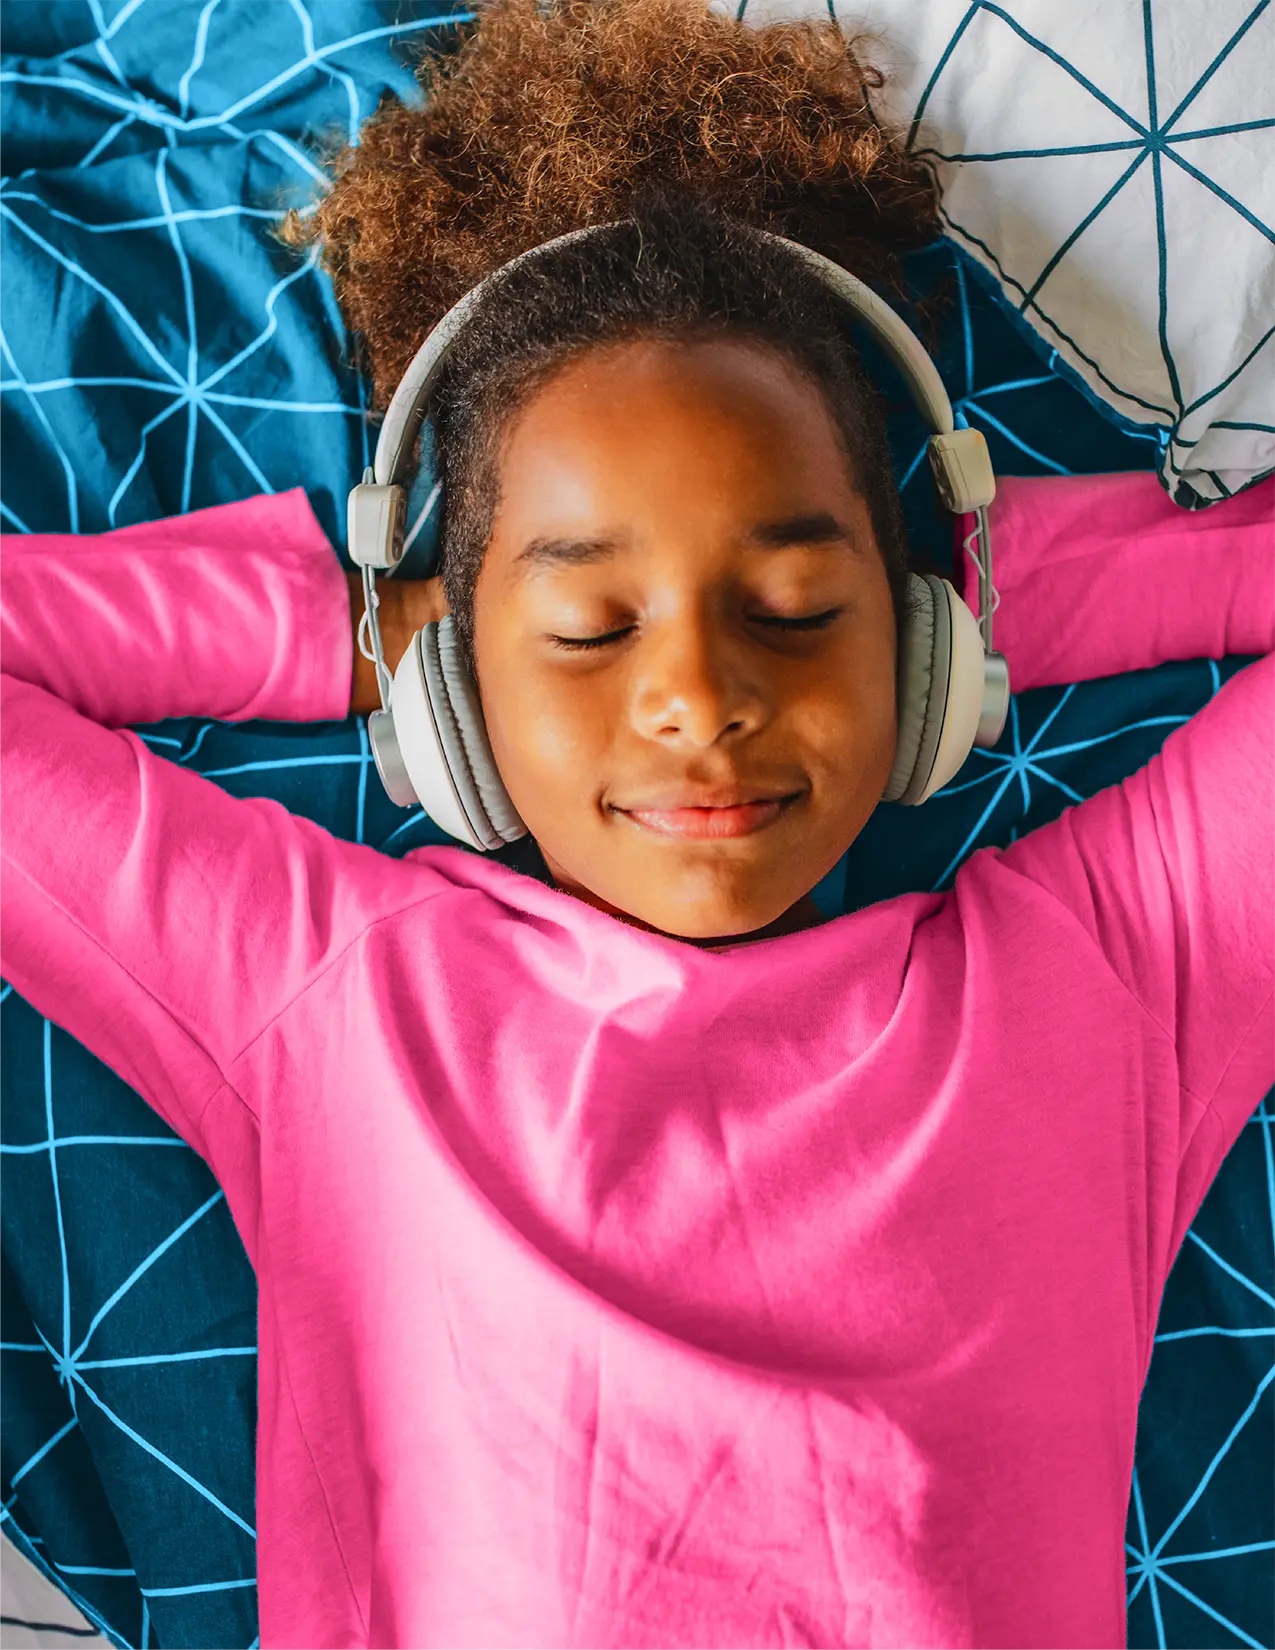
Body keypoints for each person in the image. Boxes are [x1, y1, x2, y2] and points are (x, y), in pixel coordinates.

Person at [0, 0, 1272, 1644]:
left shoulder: (1106, 980)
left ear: (925, 659)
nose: (698, 695)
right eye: (592, 632)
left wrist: (1002, 588)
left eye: (802, 606)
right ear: (452, 702)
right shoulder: (329, 996)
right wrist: (345, 629)